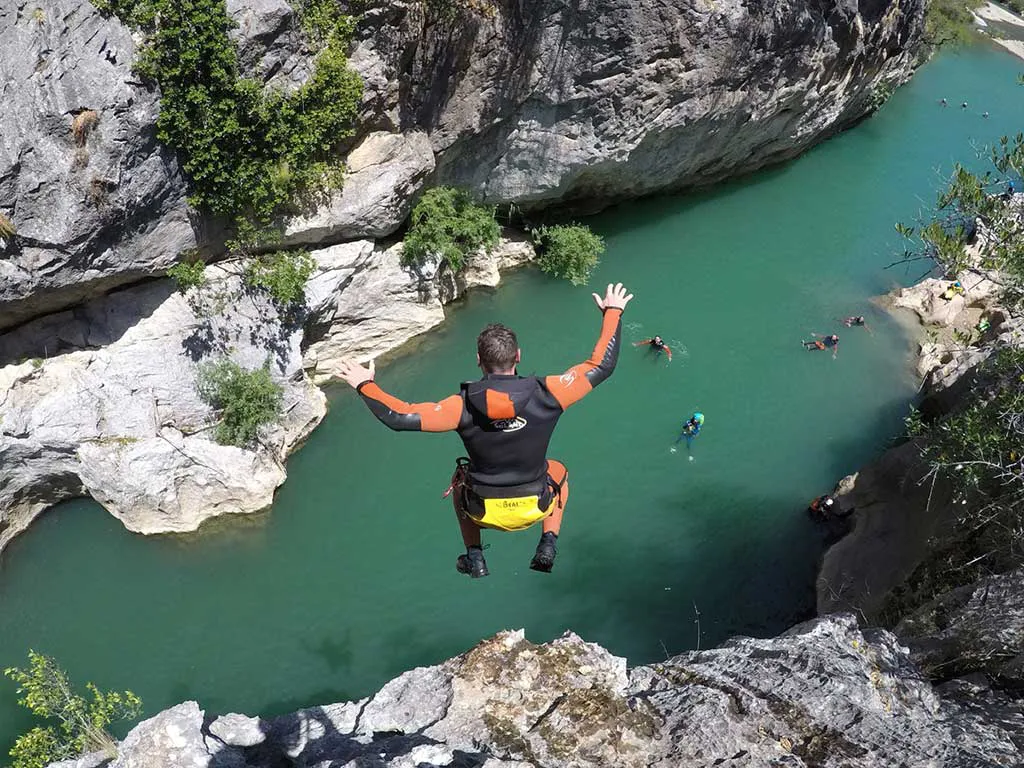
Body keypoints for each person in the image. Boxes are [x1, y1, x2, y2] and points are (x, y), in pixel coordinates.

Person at [334, 282, 634, 578]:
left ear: (479, 361)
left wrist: (364, 383)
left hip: (482, 510)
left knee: (459, 478)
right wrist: (612, 312)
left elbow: (399, 416)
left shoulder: (460, 406)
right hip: (537, 505)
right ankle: (548, 542)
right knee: (559, 470)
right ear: (518, 356)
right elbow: (601, 366)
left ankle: (475, 556)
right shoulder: (551, 393)